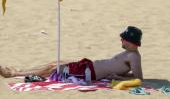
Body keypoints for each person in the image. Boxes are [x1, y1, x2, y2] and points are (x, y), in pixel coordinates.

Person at [0, 26, 143, 80]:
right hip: (89, 65)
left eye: (123, 39)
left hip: (89, 73)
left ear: (130, 41)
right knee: (56, 62)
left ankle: (13, 74)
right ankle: (21, 71)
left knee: (52, 69)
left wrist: (118, 77)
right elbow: (125, 71)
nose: (121, 40)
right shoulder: (130, 54)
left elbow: (138, 78)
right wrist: (120, 74)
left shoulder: (133, 56)